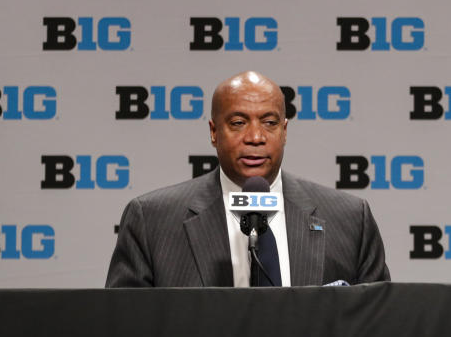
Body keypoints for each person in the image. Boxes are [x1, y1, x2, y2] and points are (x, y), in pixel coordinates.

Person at [105, 71, 390, 287]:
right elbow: (124, 328)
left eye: (269, 123)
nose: (255, 138)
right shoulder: (152, 220)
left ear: (285, 131)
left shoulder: (351, 219)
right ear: (214, 132)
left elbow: (379, 327)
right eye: (239, 123)